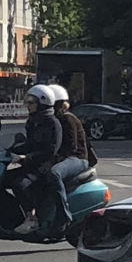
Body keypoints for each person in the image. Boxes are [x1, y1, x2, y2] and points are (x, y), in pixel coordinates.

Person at [9, 84, 64, 234]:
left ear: (42, 103)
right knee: (2, 179)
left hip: (43, 167)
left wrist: (27, 157)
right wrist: (10, 151)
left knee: (20, 184)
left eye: (31, 103)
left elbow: (51, 150)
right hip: (31, 164)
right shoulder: (33, 122)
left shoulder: (53, 124)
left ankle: (31, 219)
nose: (28, 106)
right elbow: (29, 144)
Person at [49, 86, 90, 225]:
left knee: (54, 173)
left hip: (78, 158)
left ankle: (63, 214)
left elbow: (71, 148)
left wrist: (53, 161)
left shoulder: (67, 119)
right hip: (67, 157)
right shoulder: (53, 120)